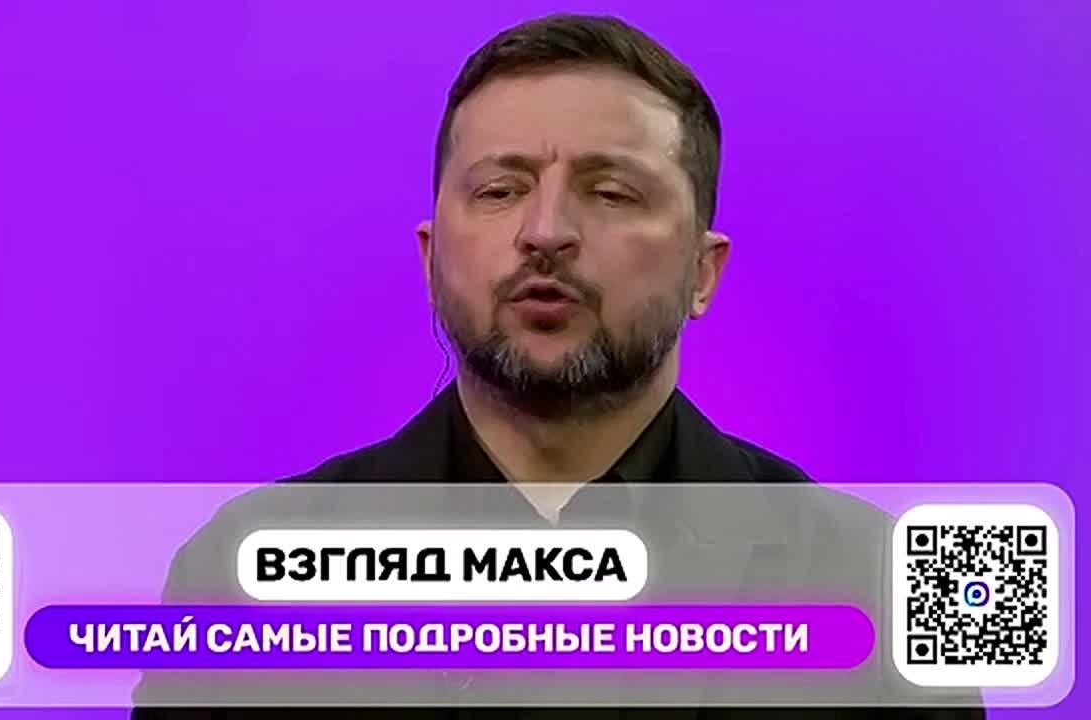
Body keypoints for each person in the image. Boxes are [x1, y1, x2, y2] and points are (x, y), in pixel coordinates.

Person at [132, 13, 984, 719]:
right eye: (500, 190)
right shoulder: (243, 574)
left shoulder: (884, 593)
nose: (545, 233)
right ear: (431, 258)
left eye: (610, 192)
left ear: (703, 272)